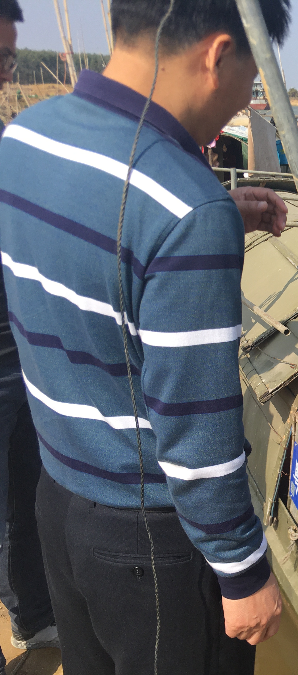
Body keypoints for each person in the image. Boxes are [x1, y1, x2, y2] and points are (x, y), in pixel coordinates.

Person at [0, 1, 292, 673]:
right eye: (252, 78)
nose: (244, 100)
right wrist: (243, 570)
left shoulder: (25, 138)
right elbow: (195, 433)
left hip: (59, 492)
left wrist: (204, 218)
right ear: (218, 53)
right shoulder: (186, 206)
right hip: (150, 545)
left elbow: (82, 255)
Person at [0, 3, 58, 673]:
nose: (8, 73)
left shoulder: (9, 144)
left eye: (11, 58)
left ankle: (33, 615)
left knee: (27, 496)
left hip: (20, 352)